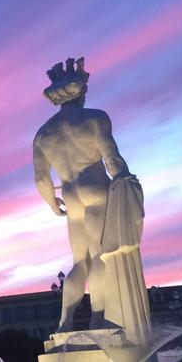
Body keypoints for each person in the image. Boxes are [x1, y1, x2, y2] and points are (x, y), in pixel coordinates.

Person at [32, 57, 148, 337]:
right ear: (81, 91)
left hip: (70, 195)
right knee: (99, 257)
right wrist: (128, 186)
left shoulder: (43, 134)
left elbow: (41, 179)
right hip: (96, 190)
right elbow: (112, 159)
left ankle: (65, 324)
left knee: (78, 263)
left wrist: (52, 203)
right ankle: (98, 321)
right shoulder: (95, 118)